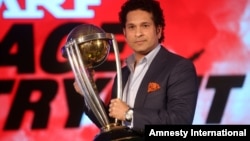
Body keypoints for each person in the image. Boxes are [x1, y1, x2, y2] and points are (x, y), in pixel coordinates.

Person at [74, 0, 198, 134]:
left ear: (158, 30)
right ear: (125, 33)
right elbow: (113, 126)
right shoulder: (123, 74)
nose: (138, 33)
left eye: (145, 26)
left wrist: (129, 114)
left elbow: (180, 122)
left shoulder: (179, 67)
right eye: (131, 27)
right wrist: (88, 93)